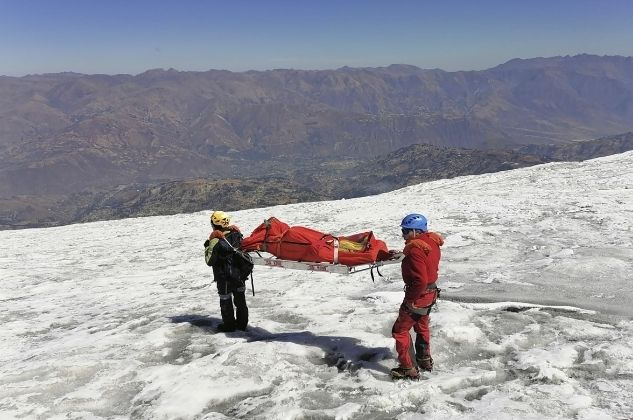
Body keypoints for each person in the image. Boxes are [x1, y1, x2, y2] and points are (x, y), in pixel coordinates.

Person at [390, 213, 444, 380]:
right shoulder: (431, 242)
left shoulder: (415, 249)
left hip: (419, 296)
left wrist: (410, 300)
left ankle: (408, 368)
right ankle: (424, 359)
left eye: (406, 231)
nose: (403, 235)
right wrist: (403, 253)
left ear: (415, 231)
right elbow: (425, 259)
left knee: (400, 330)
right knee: (421, 326)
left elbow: (420, 280)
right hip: (431, 293)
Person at [204, 210, 249, 332]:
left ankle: (229, 326)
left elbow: (209, 261)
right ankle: (242, 325)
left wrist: (209, 243)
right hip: (239, 275)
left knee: (226, 301)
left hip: (224, 278)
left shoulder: (215, 239)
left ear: (214, 224)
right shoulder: (236, 234)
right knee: (241, 301)